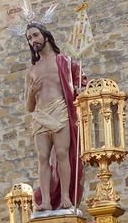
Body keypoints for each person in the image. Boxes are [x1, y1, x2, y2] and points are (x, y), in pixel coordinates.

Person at [23, 22, 86, 213]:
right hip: (41, 115)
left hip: (60, 111)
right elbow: (29, 107)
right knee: (43, 158)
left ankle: (66, 196)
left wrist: (80, 89)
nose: (33, 41)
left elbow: (79, 85)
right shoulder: (32, 71)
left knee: (61, 154)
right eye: (29, 39)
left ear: (45, 36)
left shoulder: (65, 62)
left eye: (35, 35)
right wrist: (31, 92)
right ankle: (47, 201)